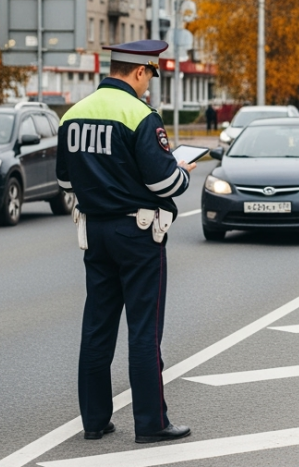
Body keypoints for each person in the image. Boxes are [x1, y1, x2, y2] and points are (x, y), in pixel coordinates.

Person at [56, 40, 195, 445]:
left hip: (95, 232)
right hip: (138, 234)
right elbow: (164, 181)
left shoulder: (74, 114)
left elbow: (66, 181)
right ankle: (151, 423)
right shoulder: (140, 115)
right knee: (143, 331)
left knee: (97, 327)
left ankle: (95, 421)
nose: (148, 85)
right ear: (138, 71)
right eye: (149, 76)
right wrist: (182, 169)